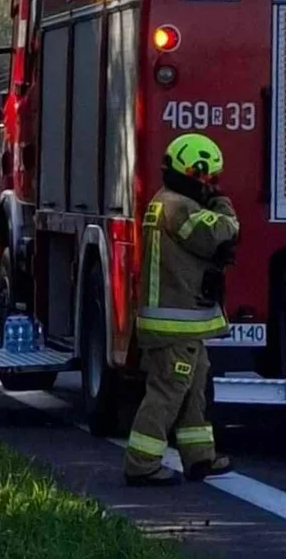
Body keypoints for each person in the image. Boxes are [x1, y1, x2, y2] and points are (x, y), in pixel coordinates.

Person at [124, 133, 239, 487]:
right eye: (209, 179)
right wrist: (224, 205)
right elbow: (221, 233)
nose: (211, 186)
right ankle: (142, 464)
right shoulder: (180, 207)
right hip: (176, 324)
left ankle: (199, 457)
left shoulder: (165, 202)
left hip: (183, 325)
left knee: (194, 387)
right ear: (197, 174)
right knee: (167, 392)